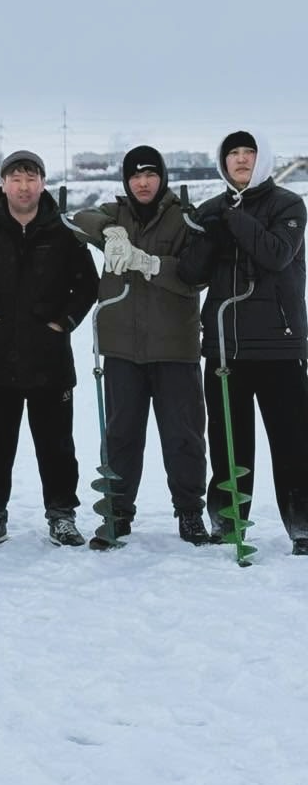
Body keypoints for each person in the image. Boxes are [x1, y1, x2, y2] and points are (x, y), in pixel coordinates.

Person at [0, 149, 98, 549]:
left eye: (31, 178)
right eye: (15, 179)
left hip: (50, 359)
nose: (23, 186)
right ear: (3, 184)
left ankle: (62, 516)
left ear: (42, 183)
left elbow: (87, 285)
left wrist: (63, 323)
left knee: (57, 446)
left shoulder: (65, 232)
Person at [70, 146, 210, 546]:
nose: (143, 182)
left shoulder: (184, 215)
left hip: (175, 347)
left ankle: (189, 513)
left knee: (183, 435)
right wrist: (109, 233)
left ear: (162, 177)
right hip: (121, 347)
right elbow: (75, 218)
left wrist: (148, 263)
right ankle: (116, 513)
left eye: (150, 174)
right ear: (126, 182)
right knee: (121, 435)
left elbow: (195, 276)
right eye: (135, 176)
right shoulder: (117, 214)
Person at [178, 130, 308, 555]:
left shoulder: (288, 205)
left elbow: (275, 254)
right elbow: (191, 275)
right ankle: (229, 521)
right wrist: (207, 236)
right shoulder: (212, 209)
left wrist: (234, 219)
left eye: (247, 152)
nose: (239, 159)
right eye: (232, 153)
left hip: (280, 344)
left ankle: (302, 526)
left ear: (262, 158)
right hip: (224, 346)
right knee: (229, 441)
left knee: (291, 441)